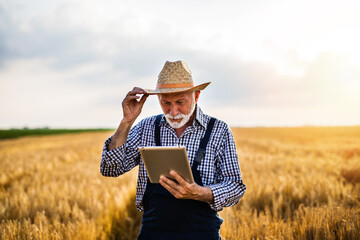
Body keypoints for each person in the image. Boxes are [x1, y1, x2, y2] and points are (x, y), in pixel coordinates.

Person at [100, 60, 246, 240]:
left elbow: (235, 187)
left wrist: (199, 193)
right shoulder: (146, 127)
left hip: (202, 235)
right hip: (153, 234)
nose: (174, 111)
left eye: (180, 102)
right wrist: (126, 122)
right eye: (166, 103)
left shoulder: (218, 130)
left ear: (197, 96)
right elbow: (110, 169)